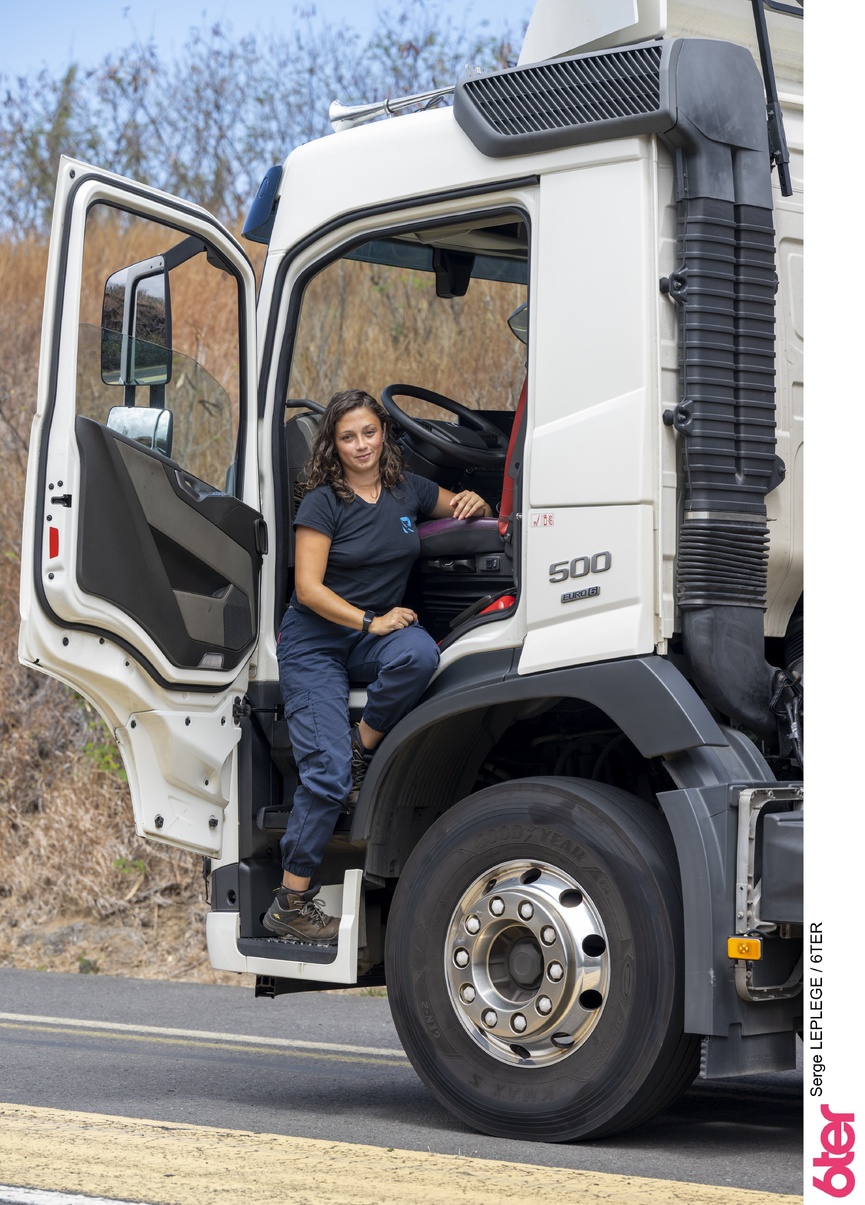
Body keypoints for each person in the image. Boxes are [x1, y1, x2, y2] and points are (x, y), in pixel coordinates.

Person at [264, 388, 491, 944]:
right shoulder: (322, 500)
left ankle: (362, 746)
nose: (361, 445)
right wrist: (371, 621)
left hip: (369, 639)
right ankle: (291, 900)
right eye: (348, 437)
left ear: (383, 433)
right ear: (333, 445)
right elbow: (308, 589)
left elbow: (461, 503)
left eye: (369, 433)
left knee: (419, 652)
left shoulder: (406, 489)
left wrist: (473, 504)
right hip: (316, 642)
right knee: (325, 773)